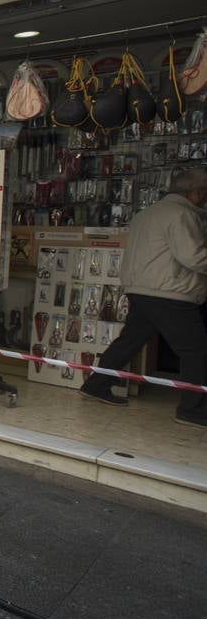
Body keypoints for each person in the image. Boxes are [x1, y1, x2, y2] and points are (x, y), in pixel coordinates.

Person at [80, 167, 207, 426]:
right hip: (170, 292)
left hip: (141, 289)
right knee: (196, 351)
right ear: (196, 192)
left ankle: (97, 383)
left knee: (130, 341)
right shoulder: (181, 215)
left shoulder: (146, 213)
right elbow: (193, 256)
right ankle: (192, 410)